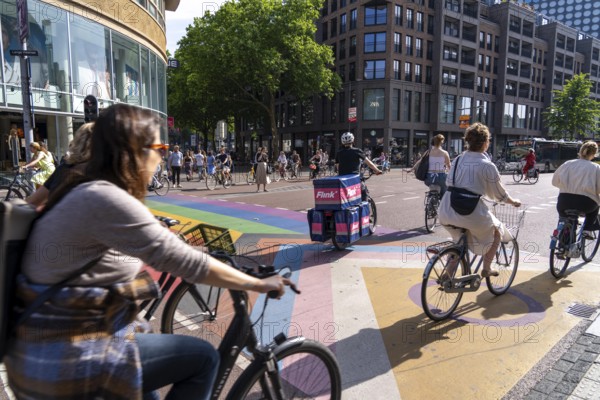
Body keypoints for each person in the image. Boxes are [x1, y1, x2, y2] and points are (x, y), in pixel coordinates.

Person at [5, 104, 289, 400]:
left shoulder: (82, 186)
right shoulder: (104, 196)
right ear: (135, 150)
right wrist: (257, 283)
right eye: (159, 147)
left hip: (44, 350)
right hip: (64, 358)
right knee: (203, 358)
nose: (162, 156)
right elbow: (184, 261)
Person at [438, 123, 521, 278]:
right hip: (470, 210)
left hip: (446, 208)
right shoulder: (487, 165)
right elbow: (499, 194)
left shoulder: (457, 160)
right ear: (485, 143)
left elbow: (450, 181)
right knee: (497, 231)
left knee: (458, 240)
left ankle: (449, 273)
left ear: (468, 142)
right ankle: (487, 268)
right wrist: (513, 201)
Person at [27, 123, 94, 209]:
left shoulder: (67, 168)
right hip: (50, 169)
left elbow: (33, 201)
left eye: (31, 148)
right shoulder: (107, 173)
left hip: (49, 171)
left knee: (38, 181)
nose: (30, 149)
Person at [552, 140, 600, 239]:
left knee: (565, 219)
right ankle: (587, 230)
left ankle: (564, 242)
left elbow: (554, 182)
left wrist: (566, 187)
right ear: (594, 154)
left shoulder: (568, 164)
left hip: (564, 201)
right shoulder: (596, 168)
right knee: (595, 207)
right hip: (586, 203)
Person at [335, 132, 382, 201]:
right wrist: (377, 170)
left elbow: (337, 167)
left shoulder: (339, 153)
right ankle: (364, 209)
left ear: (342, 142)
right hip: (354, 179)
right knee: (364, 192)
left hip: (343, 181)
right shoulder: (357, 151)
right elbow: (369, 163)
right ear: (353, 140)